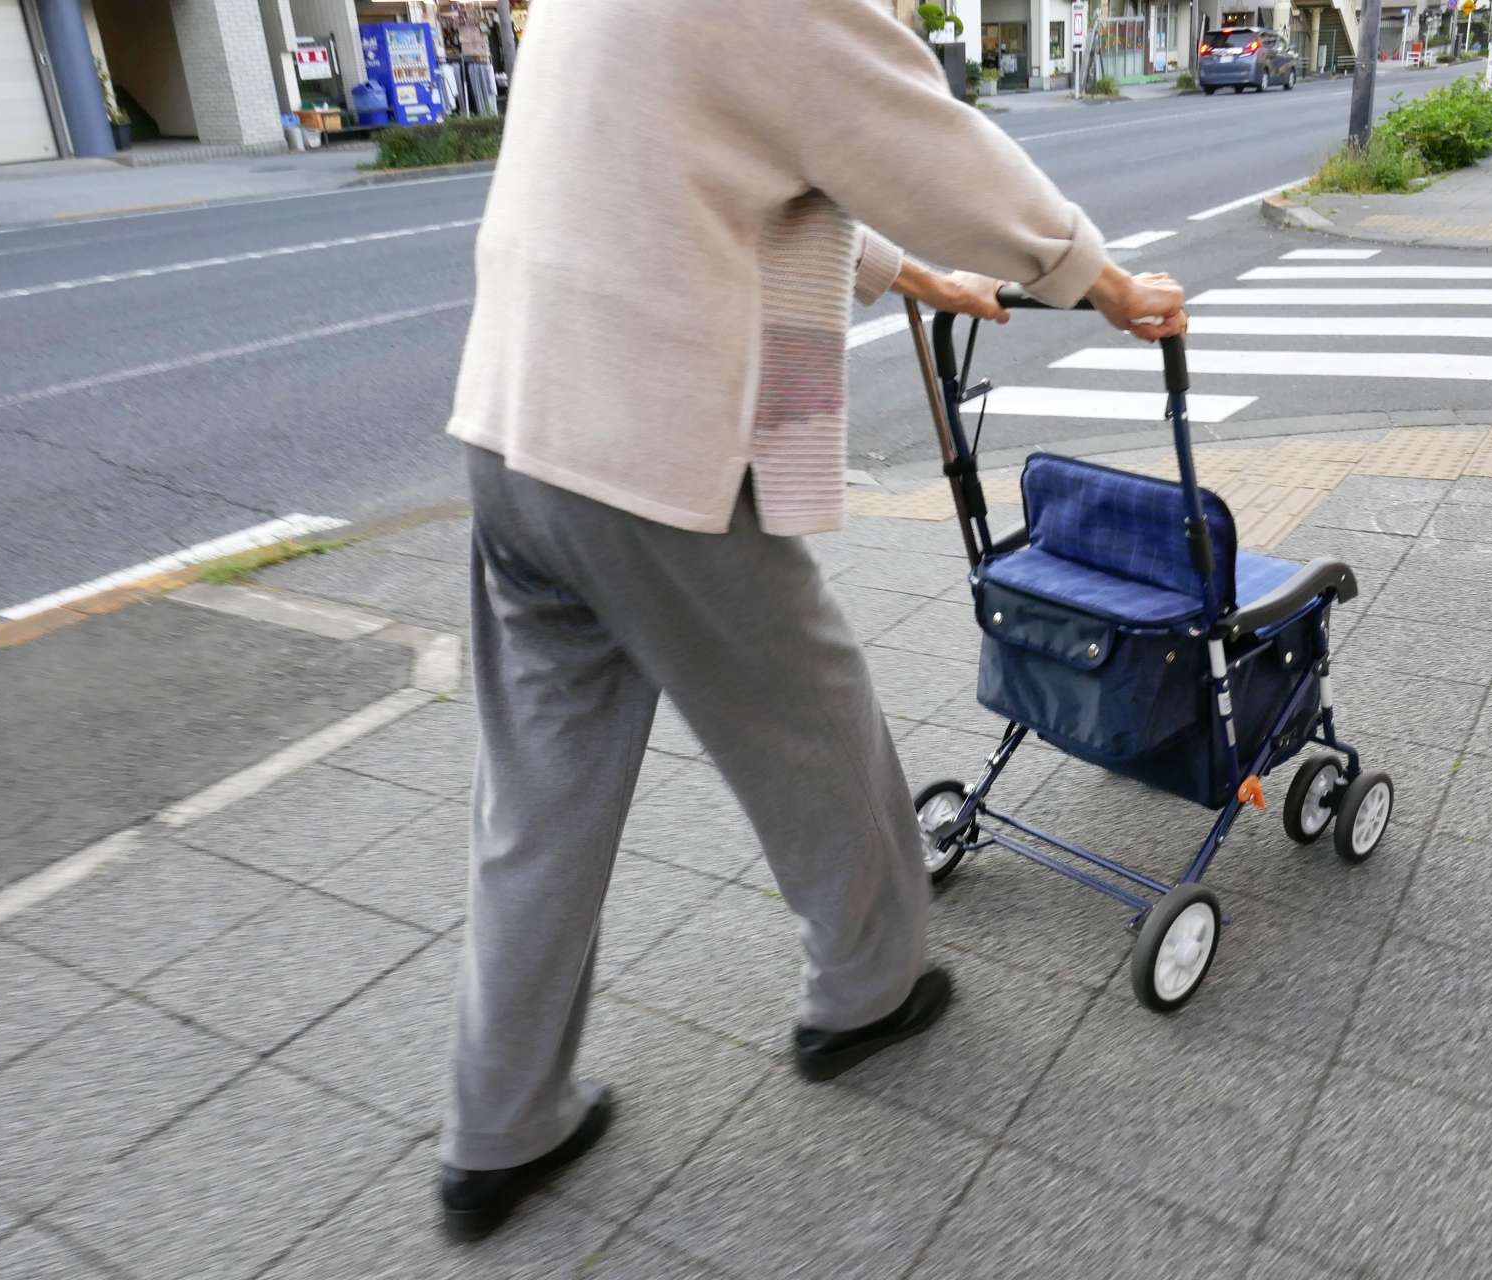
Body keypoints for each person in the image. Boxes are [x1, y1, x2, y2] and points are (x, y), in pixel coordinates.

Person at [434, 0, 1188, 1243]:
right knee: (815, 727)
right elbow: (914, 140)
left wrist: (917, 275)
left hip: (517, 433)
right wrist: (1098, 279)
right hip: (649, 453)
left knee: (537, 800)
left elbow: (723, 162)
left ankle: (498, 1123)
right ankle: (868, 987)